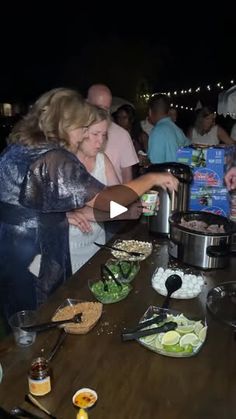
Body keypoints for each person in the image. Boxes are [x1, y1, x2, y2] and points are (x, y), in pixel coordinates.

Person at [0, 87, 178, 323]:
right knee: (35, 322)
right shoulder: (55, 158)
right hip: (32, 255)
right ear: (65, 124)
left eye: (102, 134)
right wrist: (151, 178)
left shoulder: (24, 147)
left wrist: (62, 215)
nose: (92, 138)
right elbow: (108, 200)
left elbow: (28, 200)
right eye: (86, 130)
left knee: (25, 319)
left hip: (14, 248)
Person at [67, 107, 120, 272]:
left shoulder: (103, 160)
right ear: (79, 132)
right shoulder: (62, 162)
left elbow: (119, 205)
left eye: (104, 135)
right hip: (66, 252)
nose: (100, 142)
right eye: (95, 134)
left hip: (97, 247)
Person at [87, 84, 139, 183]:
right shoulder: (76, 133)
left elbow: (127, 176)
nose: (100, 141)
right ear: (86, 104)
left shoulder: (122, 135)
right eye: (98, 108)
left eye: (106, 108)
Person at [147, 94, 190, 164]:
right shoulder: (177, 129)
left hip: (165, 174)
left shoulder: (157, 131)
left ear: (150, 111)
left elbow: (155, 167)